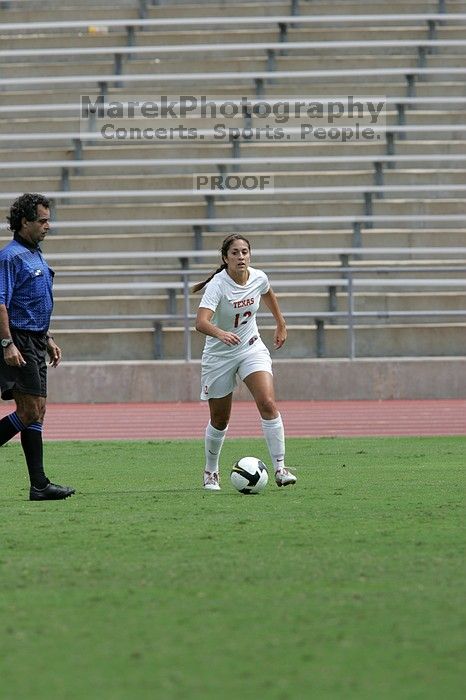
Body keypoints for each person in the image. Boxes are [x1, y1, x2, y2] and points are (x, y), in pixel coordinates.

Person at [193, 233, 297, 491]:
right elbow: (201, 322)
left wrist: (280, 323)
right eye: (235, 253)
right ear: (225, 258)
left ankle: (281, 469)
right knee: (220, 419)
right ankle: (210, 471)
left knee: (268, 402)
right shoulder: (218, 284)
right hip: (219, 355)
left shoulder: (259, 277)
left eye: (244, 252)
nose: (241, 257)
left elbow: (268, 293)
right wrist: (220, 333)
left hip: (251, 348)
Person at [0, 193, 75, 500]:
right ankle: (40, 484)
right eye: (42, 220)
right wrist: (7, 343)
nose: (48, 225)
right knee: (30, 411)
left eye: (48, 219)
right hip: (17, 340)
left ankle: (39, 485)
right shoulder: (11, 256)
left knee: (37, 412)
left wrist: (48, 338)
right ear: (24, 222)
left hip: (34, 340)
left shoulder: (36, 254)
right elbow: (1, 304)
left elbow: (34, 303)